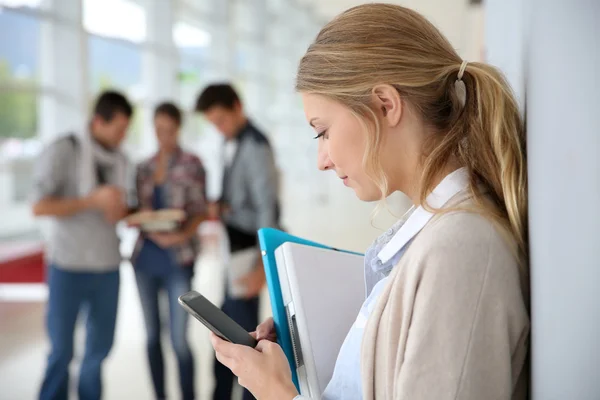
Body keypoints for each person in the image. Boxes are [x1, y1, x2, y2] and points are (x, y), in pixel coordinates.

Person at [209, 4, 530, 400]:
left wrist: (276, 393)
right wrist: (314, 335)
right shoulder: (440, 231)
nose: (322, 160)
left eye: (322, 132)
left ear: (385, 104)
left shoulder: (461, 249)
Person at [32, 91, 133, 400]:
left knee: (98, 352)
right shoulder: (65, 150)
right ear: (98, 121)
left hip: (107, 267)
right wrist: (91, 201)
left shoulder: (122, 160)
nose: (121, 137)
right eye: (118, 129)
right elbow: (39, 206)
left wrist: (121, 210)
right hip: (68, 267)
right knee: (61, 351)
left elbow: (122, 210)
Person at [195, 84, 280, 400]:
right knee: (233, 328)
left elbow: (266, 208)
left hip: (249, 250)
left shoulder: (255, 146)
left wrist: (262, 265)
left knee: (240, 337)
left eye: (221, 120)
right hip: (237, 246)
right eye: (213, 123)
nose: (219, 129)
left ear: (237, 107)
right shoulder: (239, 142)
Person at [131, 102, 207, 400]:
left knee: (178, 340)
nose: (164, 136)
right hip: (145, 260)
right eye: (158, 130)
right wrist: (149, 226)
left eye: (169, 130)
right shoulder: (144, 167)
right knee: (152, 337)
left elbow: (200, 210)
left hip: (179, 259)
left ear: (178, 128)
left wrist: (182, 235)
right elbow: (137, 210)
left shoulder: (192, 164)